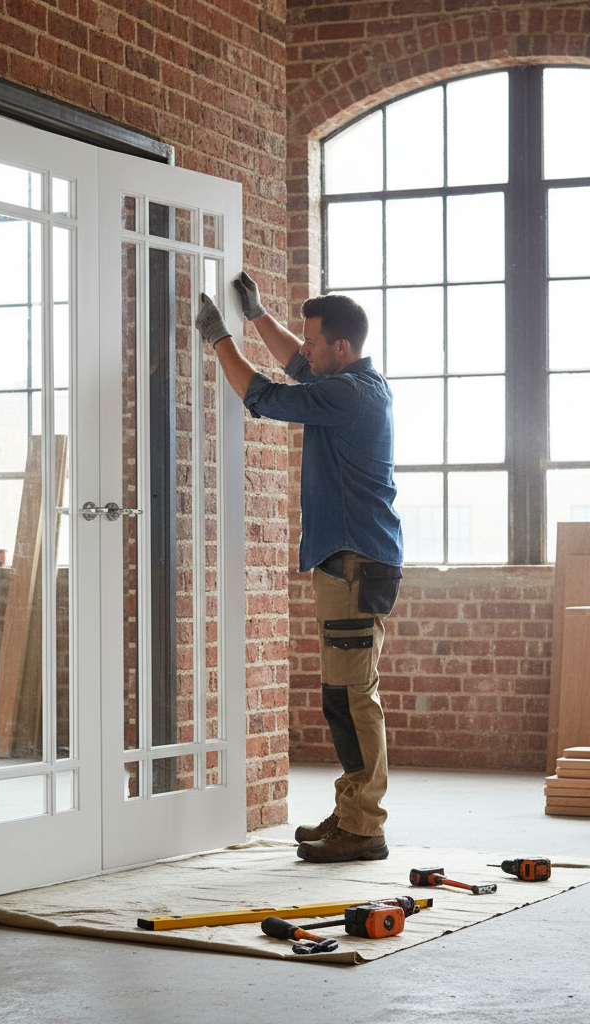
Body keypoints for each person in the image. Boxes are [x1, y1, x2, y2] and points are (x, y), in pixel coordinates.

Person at [195, 272, 404, 863]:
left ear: (342, 346)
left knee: (355, 696)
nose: (305, 350)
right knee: (341, 695)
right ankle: (351, 812)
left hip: (355, 562)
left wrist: (220, 340)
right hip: (349, 560)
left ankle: (364, 827)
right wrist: (258, 316)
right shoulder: (349, 380)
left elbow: (265, 394)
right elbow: (294, 363)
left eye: (315, 342)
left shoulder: (350, 395)